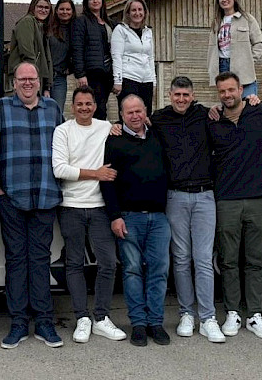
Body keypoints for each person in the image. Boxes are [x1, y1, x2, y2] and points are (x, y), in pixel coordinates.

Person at [0, 62, 64, 348]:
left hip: (45, 195)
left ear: (39, 81)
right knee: (16, 260)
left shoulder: (53, 109)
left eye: (32, 78)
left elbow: (65, 145)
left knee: (41, 259)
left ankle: (44, 322)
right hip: (12, 196)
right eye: (22, 79)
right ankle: (18, 322)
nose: (27, 83)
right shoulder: (0, 109)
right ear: (14, 81)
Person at [151, 75, 224, 343]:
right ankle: (186, 313)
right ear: (169, 95)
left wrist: (251, 98)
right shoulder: (158, 119)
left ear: (192, 96)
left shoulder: (207, 115)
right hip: (176, 197)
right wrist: (114, 127)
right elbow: (134, 124)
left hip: (205, 196)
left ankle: (207, 318)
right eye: (177, 95)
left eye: (186, 95)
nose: (181, 99)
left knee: (203, 258)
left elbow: (234, 109)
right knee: (181, 258)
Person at [52, 86, 126, 343]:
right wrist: (96, 173)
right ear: (73, 107)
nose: (84, 108)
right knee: (74, 263)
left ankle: (101, 318)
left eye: (88, 104)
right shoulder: (63, 131)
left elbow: (133, 125)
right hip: (71, 206)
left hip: (99, 207)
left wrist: (121, 125)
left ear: (95, 106)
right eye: (79, 104)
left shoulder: (106, 128)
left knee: (107, 262)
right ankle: (82, 317)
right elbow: (60, 168)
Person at [208, 71, 262, 339]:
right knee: (228, 260)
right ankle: (233, 312)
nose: (227, 95)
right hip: (227, 199)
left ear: (241, 90)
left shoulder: (261, 113)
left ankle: (256, 314)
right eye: (222, 91)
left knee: (256, 260)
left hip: (258, 196)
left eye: (231, 90)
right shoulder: (212, 120)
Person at [101, 94, 171, 347]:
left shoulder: (157, 135)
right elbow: (107, 180)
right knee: (132, 271)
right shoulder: (115, 140)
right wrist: (115, 216)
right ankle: (138, 324)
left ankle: (156, 322)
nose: (134, 116)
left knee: (159, 270)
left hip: (159, 218)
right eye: (129, 112)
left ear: (145, 112)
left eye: (138, 111)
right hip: (129, 217)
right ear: (121, 115)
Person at [206, 0, 262, 98]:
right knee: (229, 103)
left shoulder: (247, 19)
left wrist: (250, 60)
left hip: (243, 67)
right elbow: (212, 48)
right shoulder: (216, 22)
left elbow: (258, 43)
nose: (224, 0)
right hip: (222, 66)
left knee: (248, 103)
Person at [72, 0, 114, 120]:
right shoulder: (82, 21)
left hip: (108, 72)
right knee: (97, 108)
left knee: (103, 106)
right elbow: (77, 48)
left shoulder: (109, 23)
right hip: (92, 71)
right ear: (86, 2)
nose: (95, 1)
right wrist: (81, 74)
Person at [111, 0, 155, 115]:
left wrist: (153, 81)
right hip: (128, 78)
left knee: (145, 115)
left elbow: (150, 57)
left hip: (146, 79)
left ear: (145, 12)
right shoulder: (120, 30)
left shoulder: (148, 32)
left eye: (140, 10)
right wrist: (118, 80)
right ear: (128, 13)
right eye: (133, 10)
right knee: (129, 113)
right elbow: (117, 56)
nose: (137, 13)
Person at [8, 0, 53, 95]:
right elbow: (27, 53)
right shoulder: (27, 22)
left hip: (36, 78)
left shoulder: (41, 27)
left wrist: (46, 86)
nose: (43, 10)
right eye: (40, 7)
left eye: (47, 8)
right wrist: (33, 79)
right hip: (26, 78)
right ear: (33, 7)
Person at [46, 0, 76, 113]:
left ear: (72, 11)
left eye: (68, 9)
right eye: (62, 9)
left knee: (56, 111)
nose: (65, 12)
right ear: (56, 10)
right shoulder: (48, 28)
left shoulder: (75, 30)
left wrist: (71, 68)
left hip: (59, 77)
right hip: (44, 75)